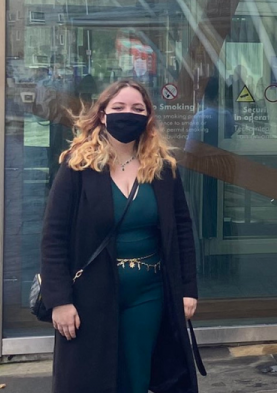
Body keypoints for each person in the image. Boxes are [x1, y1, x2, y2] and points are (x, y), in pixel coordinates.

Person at [41, 79, 202, 393]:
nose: (128, 114)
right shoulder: (77, 166)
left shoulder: (163, 168)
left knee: (136, 375)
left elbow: (182, 231)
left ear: (148, 117)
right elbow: (53, 237)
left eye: (137, 108)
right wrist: (59, 300)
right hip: (90, 294)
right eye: (119, 107)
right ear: (103, 115)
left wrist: (187, 290)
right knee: (92, 379)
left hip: (149, 292)